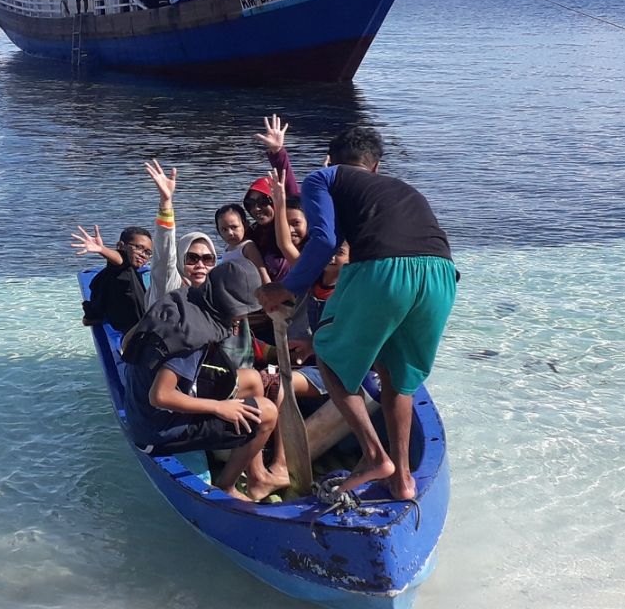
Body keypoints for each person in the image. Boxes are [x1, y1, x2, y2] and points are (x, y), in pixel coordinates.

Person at [256, 126, 457, 502]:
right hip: (442, 274)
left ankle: (373, 455)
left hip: (385, 269)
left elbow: (326, 239)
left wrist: (286, 287)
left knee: (329, 355)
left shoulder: (324, 176)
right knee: (399, 376)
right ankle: (402, 480)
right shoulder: (401, 189)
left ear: (331, 159)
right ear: (376, 167)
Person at [120, 259, 289, 501]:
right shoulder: (192, 334)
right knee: (268, 412)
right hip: (157, 429)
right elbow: (160, 396)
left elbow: (128, 343)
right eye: (240, 312)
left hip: (149, 406)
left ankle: (257, 473)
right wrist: (220, 407)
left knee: (252, 379)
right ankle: (227, 486)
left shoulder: (186, 299)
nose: (242, 319)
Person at [144, 159, 220, 303]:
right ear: (180, 260)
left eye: (208, 259)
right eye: (192, 258)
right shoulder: (169, 288)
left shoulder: (216, 294)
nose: (200, 265)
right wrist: (166, 202)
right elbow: (165, 258)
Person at [241, 114, 302, 284]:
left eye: (262, 202)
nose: (256, 209)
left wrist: (277, 152)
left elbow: (291, 192)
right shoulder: (254, 234)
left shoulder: (288, 230)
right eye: (250, 204)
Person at [74, 225, 154, 332]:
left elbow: (89, 320)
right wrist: (102, 249)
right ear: (120, 246)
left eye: (148, 252)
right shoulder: (125, 270)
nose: (143, 255)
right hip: (139, 335)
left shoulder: (102, 278)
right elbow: (120, 260)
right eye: (138, 248)